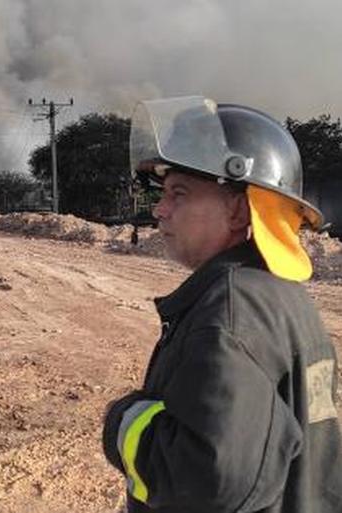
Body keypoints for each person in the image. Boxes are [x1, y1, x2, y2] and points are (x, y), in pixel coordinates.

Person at [102, 96, 342, 513]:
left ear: (237, 210)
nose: (160, 209)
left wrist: (122, 419)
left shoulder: (232, 312)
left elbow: (207, 481)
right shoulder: (275, 291)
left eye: (179, 193)